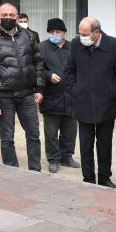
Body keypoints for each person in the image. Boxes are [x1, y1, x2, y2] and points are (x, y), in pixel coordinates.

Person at [0, 3, 44, 171]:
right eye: (4, 14)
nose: (8, 18)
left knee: (34, 135)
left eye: (12, 15)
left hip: (27, 94)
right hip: (3, 96)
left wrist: (40, 88)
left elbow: (38, 63)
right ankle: (11, 170)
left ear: (17, 16)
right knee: (7, 138)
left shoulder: (28, 36)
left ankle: (35, 170)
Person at [65, 16, 116, 189]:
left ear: (97, 32)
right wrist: (74, 90)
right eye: (79, 33)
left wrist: (111, 92)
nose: (81, 37)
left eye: (85, 34)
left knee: (104, 144)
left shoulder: (114, 45)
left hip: (105, 104)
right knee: (85, 144)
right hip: (82, 102)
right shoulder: (76, 44)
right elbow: (69, 70)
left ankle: (104, 177)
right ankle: (88, 178)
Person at [40, 17, 79, 173]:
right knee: (51, 132)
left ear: (64, 33)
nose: (55, 34)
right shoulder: (42, 47)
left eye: (58, 32)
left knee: (70, 131)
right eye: (52, 32)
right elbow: (35, 68)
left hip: (71, 97)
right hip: (51, 96)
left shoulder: (73, 47)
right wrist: (48, 75)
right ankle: (53, 159)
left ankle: (67, 156)